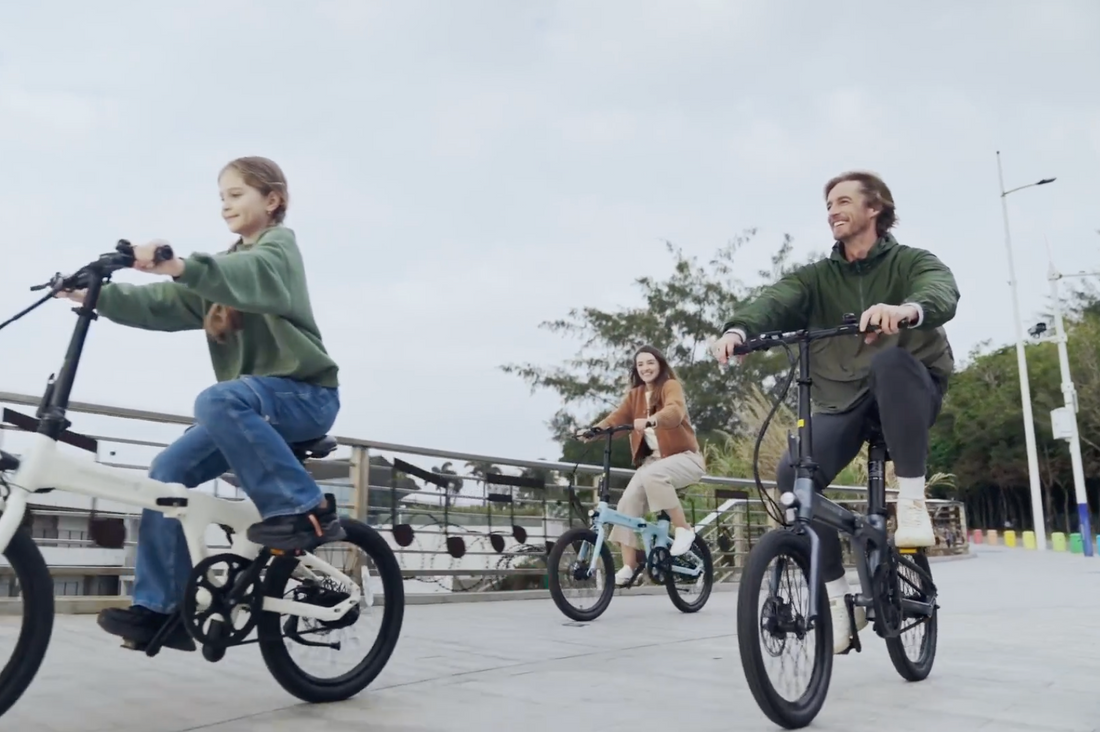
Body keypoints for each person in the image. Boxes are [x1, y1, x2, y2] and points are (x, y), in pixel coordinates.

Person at [58, 156, 343, 652]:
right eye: (222, 198)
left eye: (236, 195)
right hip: (251, 408)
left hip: (305, 397)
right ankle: (161, 609)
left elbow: (249, 273)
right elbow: (166, 304)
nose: (226, 206)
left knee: (217, 398)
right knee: (164, 475)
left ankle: (304, 508)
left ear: (271, 200)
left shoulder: (278, 250)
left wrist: (175, 264)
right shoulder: (220, 277)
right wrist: (96, 294)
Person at [711, 170, 960, 654]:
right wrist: (739, 331)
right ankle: (836, 601)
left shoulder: (911, 262)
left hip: (909, 390)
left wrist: (905, 310)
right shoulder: (817, 278)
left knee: (890, 360)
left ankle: (910, 502)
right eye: (828, 204)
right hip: (844, 398)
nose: (832, 210)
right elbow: (775, 300)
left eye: (843, 201)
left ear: (875, 208)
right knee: (793, 477)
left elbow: (939, 289)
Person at [579, 345, 707, 587]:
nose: (646, 368)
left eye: (650, 362)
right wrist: (592, 432)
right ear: (636, 369)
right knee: (627, 503)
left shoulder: (670, 386)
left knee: (653, 475)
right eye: (640, 364)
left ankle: (683, 529)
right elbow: (616, 419)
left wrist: (652, 419)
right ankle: (629, 565)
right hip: (653, 464)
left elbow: (675, 412)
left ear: (659, 364)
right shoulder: (636, 395)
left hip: (685, 458)